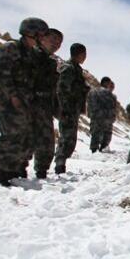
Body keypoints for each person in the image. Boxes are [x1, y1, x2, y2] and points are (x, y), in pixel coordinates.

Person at [0, 17, 47, 186]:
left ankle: (18, 168)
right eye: (40, 35)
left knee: (27, 137)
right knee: (11, 137)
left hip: (26, 103)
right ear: (31, 33)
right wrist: (13, 97)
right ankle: (3, 173)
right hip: (9, 102)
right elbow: (3, 75)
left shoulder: (33, 54)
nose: (42, 38)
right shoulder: (11, 48)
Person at [29, 28, 63, 179]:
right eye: (53, 39)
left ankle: (41, 172)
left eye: (59, 42)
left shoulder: (51, 62)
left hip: (45, 107)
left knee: (47, 143)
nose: (56, 44)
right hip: (28, 105)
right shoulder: (30, 55)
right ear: (42, 38)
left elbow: (53, 89)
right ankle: (12, 174)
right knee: (22, 141)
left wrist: (57, 110)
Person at [53, 43, 89, 175]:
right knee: (66, 137)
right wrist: (64, 109)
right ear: (79, 54)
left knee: (70, 138)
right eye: (84, 54)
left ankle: (61, 163)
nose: (85, 57)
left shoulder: (76, 69)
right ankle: (59, 164)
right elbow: (62, 90)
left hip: (73, 109)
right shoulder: (68, 68)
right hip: (67, 109)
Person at [87, 77, 117, 153]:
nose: (111, 85)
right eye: (109, 83)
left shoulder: (94, 91)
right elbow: (92, 104)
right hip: (101, 119)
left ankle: (97, 151)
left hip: (101, 119)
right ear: (105, 83)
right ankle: (96, 152)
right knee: (100, 137)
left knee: (100, 137)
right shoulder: (96, 92)